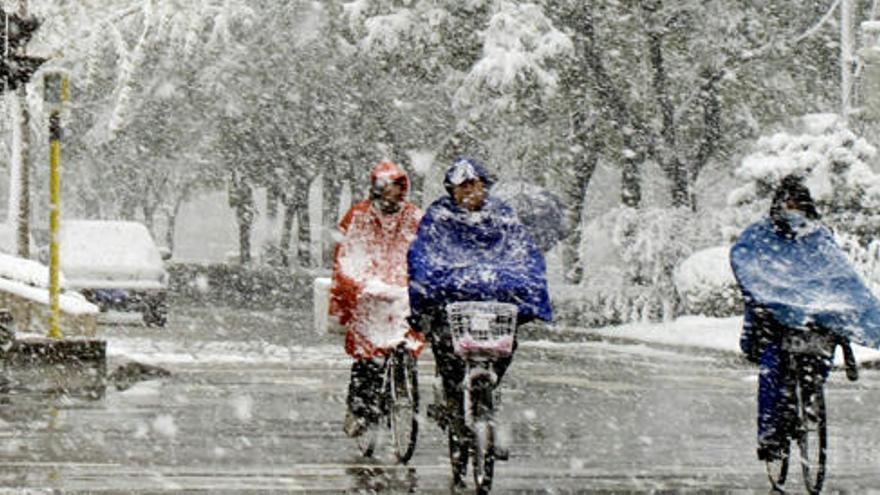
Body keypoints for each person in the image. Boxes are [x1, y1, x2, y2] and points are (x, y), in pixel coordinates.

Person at [407, 157, 552, 487]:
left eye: (475, 185)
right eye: (463, 186)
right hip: (452, 309)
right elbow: (423, 257)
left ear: (484, 186)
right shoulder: (438, 218)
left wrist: (526, 286)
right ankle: (454, 406)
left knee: (507, 343)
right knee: (447, 352)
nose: (470, 191)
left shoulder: (502, 217)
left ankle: (483, 404)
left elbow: (523, 254)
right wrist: (433, 287)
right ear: (452, 190)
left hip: (491, 308)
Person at [730, 174, 880, 461]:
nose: (794, 209)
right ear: (778, 205)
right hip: (772, 321)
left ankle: (809, 400)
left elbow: (839, 275)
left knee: (820, 360)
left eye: (799, 204)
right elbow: (747, 265)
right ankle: (770, 434)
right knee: (772, 371)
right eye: (789, 203)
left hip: (813, 319)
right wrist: (768, 299)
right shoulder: (759, 236)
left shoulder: (817, 236)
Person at [329, 160, 425, 438]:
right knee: (367, 357)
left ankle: (395, 388)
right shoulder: (358, 216)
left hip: (402, 294)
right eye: (386, 187)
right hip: (368, 295)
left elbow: (421, 253)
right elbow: (348, 255)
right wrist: (358, 284)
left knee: (404, 344)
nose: (391, 193)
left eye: (396, 187)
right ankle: (359, 408)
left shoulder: (414, 218)